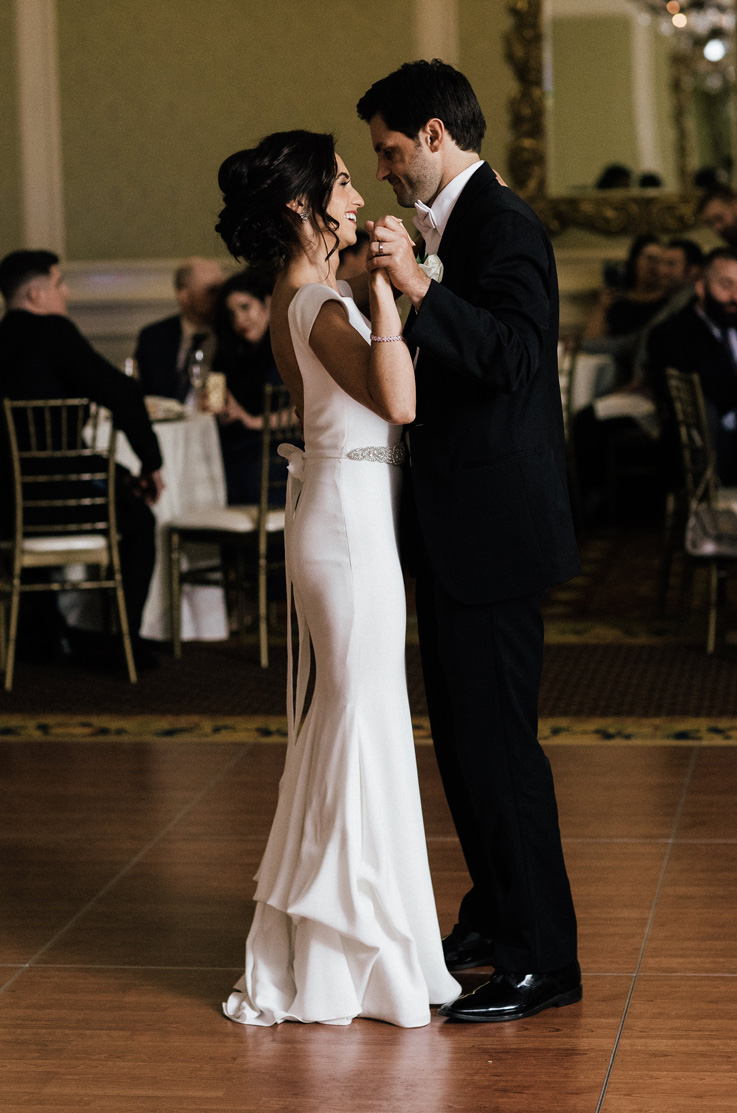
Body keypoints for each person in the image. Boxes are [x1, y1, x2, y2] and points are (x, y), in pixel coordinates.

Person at [216, 129, 460, 1028]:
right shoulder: (316, 298)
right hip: (350, 529)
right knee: (361, 718)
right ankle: (350, 948)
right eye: (345, 183)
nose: (358, 197)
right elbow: (396, 402)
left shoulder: (305, 293)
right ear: (298, 203)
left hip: (342, 512)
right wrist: (388, 299)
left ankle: (336, 939)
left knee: (353, 715)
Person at [356, 59, 581, 1023]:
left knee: (500, 754)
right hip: (455, 529)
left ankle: (544, 959)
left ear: (436, 135)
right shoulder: (453, 227)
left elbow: (519, 359)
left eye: (392, 150)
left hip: (493, 532)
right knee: (462, 745)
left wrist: (418, 286)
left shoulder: (505, 224)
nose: (386, 169)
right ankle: (492, 917)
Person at [0, 250, 162, 667]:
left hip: (8, 507)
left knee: (114, 484)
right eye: (59, 283)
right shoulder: (52, 332)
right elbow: (122, 393)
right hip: (64, 499)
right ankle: (123, 641)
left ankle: (45, 634)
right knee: (140, 521)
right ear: (36, 295)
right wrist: (149, 464)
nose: (66, 292)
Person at [648, 247, 737, 485]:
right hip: (707, 442)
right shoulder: (671, 333)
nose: (735, 296)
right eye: (726, 285)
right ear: (701, 287)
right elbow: (707, 392)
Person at [212, 269, 282, 504]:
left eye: (245, 307)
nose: (239, 320)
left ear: (268, 303)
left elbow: (304, 410)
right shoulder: (231, 356)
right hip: (239, 446)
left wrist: (252, 421)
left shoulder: (285, 351)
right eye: (232, 314)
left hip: (276, 449)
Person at [133, 256, 226, 400]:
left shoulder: (233, 336)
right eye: (212, 291)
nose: (221, 297)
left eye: (223, 289)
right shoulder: (153, 337)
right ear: (185, 297)